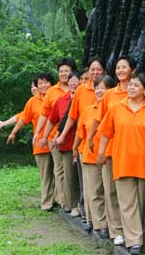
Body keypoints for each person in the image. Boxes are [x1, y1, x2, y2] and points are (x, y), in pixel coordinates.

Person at [98, 72, 145, 255]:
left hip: (144, 163)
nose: (131, 88)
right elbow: (105, 132)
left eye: (136, 85)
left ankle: (125, 233)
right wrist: (101, 153)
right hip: (122, 161)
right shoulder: (116, 107)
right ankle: (135, 241)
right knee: (127, 202)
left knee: (138, 201)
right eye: (130, 85)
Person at [88, 55, 136, 246]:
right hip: (110, 149)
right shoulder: (109, 94)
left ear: (132, 70)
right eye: (118, 67)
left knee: (128, 193)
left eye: (124, 67)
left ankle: (130, 229)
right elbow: (99, 119)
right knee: (111, 191)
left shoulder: (135, 91)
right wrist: (91, 137)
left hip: (130, 149)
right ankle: (116, 229)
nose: (121, 70)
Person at [56, 56, 105, 229]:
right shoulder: (81, 91)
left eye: (99, 69)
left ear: (104, 71)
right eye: (93, 69)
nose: (95, 72)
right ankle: (89, 218)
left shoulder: (108, 90)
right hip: (85, 143)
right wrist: (62, 136)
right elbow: (72, 116)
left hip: (106, 145)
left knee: (103, 187)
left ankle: (100, 221)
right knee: (88, 184)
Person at [5, 73, 56, 212]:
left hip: (58, 142)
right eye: (40, 83)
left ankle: (59, 200)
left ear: (52, 83)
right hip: (41, 143)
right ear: (37, 86)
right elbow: (23, 118)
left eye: (46, 82)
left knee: (59, 174)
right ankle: (47, 203)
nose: (44, 85)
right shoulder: (32, 102)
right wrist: (13, 132)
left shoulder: (58, 96)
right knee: (46, 175)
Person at [73, 75, 115, 239]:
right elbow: (80, 133)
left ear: (110, 90)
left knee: (110, 192)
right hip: (91, 156)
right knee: (95, 191)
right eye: (97, 87)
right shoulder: (89, 110)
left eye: (103, 88)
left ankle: (112, 226)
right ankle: (100, 225)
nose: (99, 91)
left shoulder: (115, 109)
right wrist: (75, 148)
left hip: (110, 155)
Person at [33, 57, 77, 207]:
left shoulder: (77, 87)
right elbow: (45, 115)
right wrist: (38, 133)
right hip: (55, 137)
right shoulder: (52, 91)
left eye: (66, 71)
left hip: (76, 136)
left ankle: (72, 200)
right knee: (60, 169)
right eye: (61, 71)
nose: (63, 74)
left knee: (72, 171)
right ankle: (63, 200)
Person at [38, 71, 80, 217]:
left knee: (79, 177)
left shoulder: (88, 98)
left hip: (83, 143)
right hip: (67, 144)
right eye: (71, 80)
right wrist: (43, 137)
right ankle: (71, 204)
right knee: (68, 176)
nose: (74, 83)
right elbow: (52, 119)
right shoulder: (61, 100)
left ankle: (78, 205)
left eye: (77, 80)